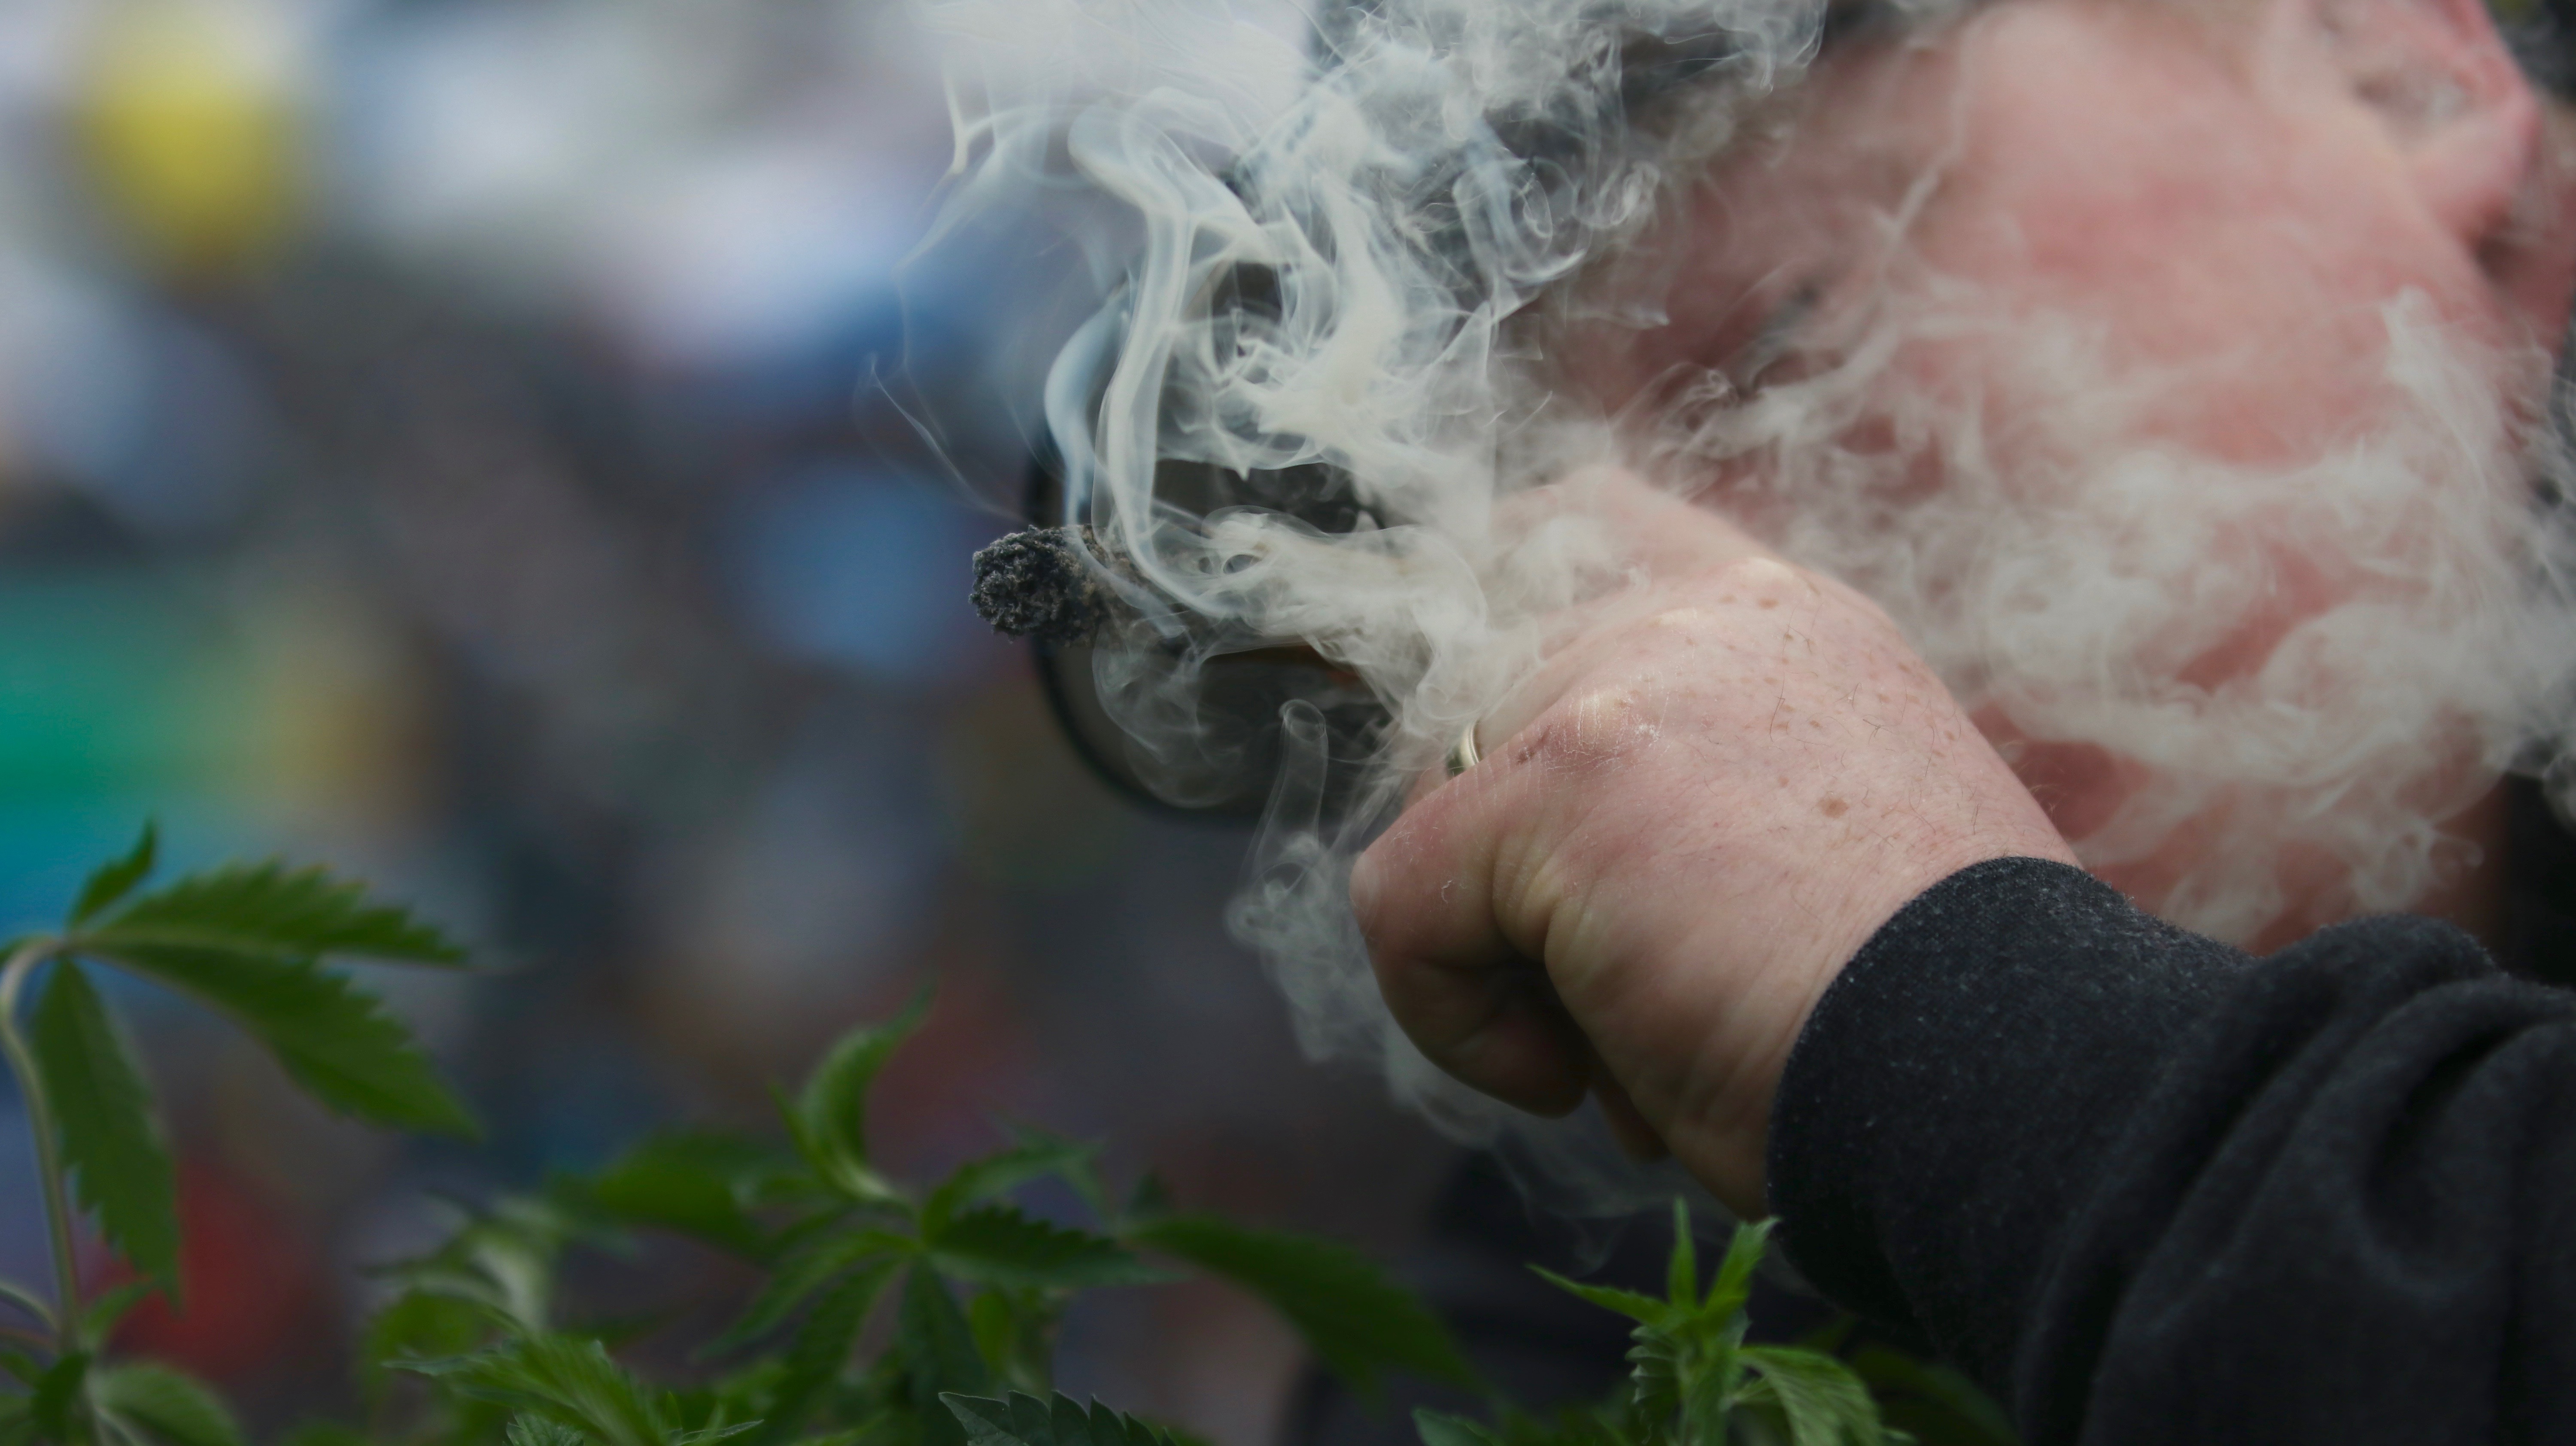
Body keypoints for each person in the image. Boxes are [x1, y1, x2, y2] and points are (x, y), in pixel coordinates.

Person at [1335, 0, 2576, 1438]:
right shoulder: (1663, 1233)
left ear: (2392, 63)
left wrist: (1957, 1027)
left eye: (1781, 342)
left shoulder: (1899, 1040)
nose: (1699, 606)